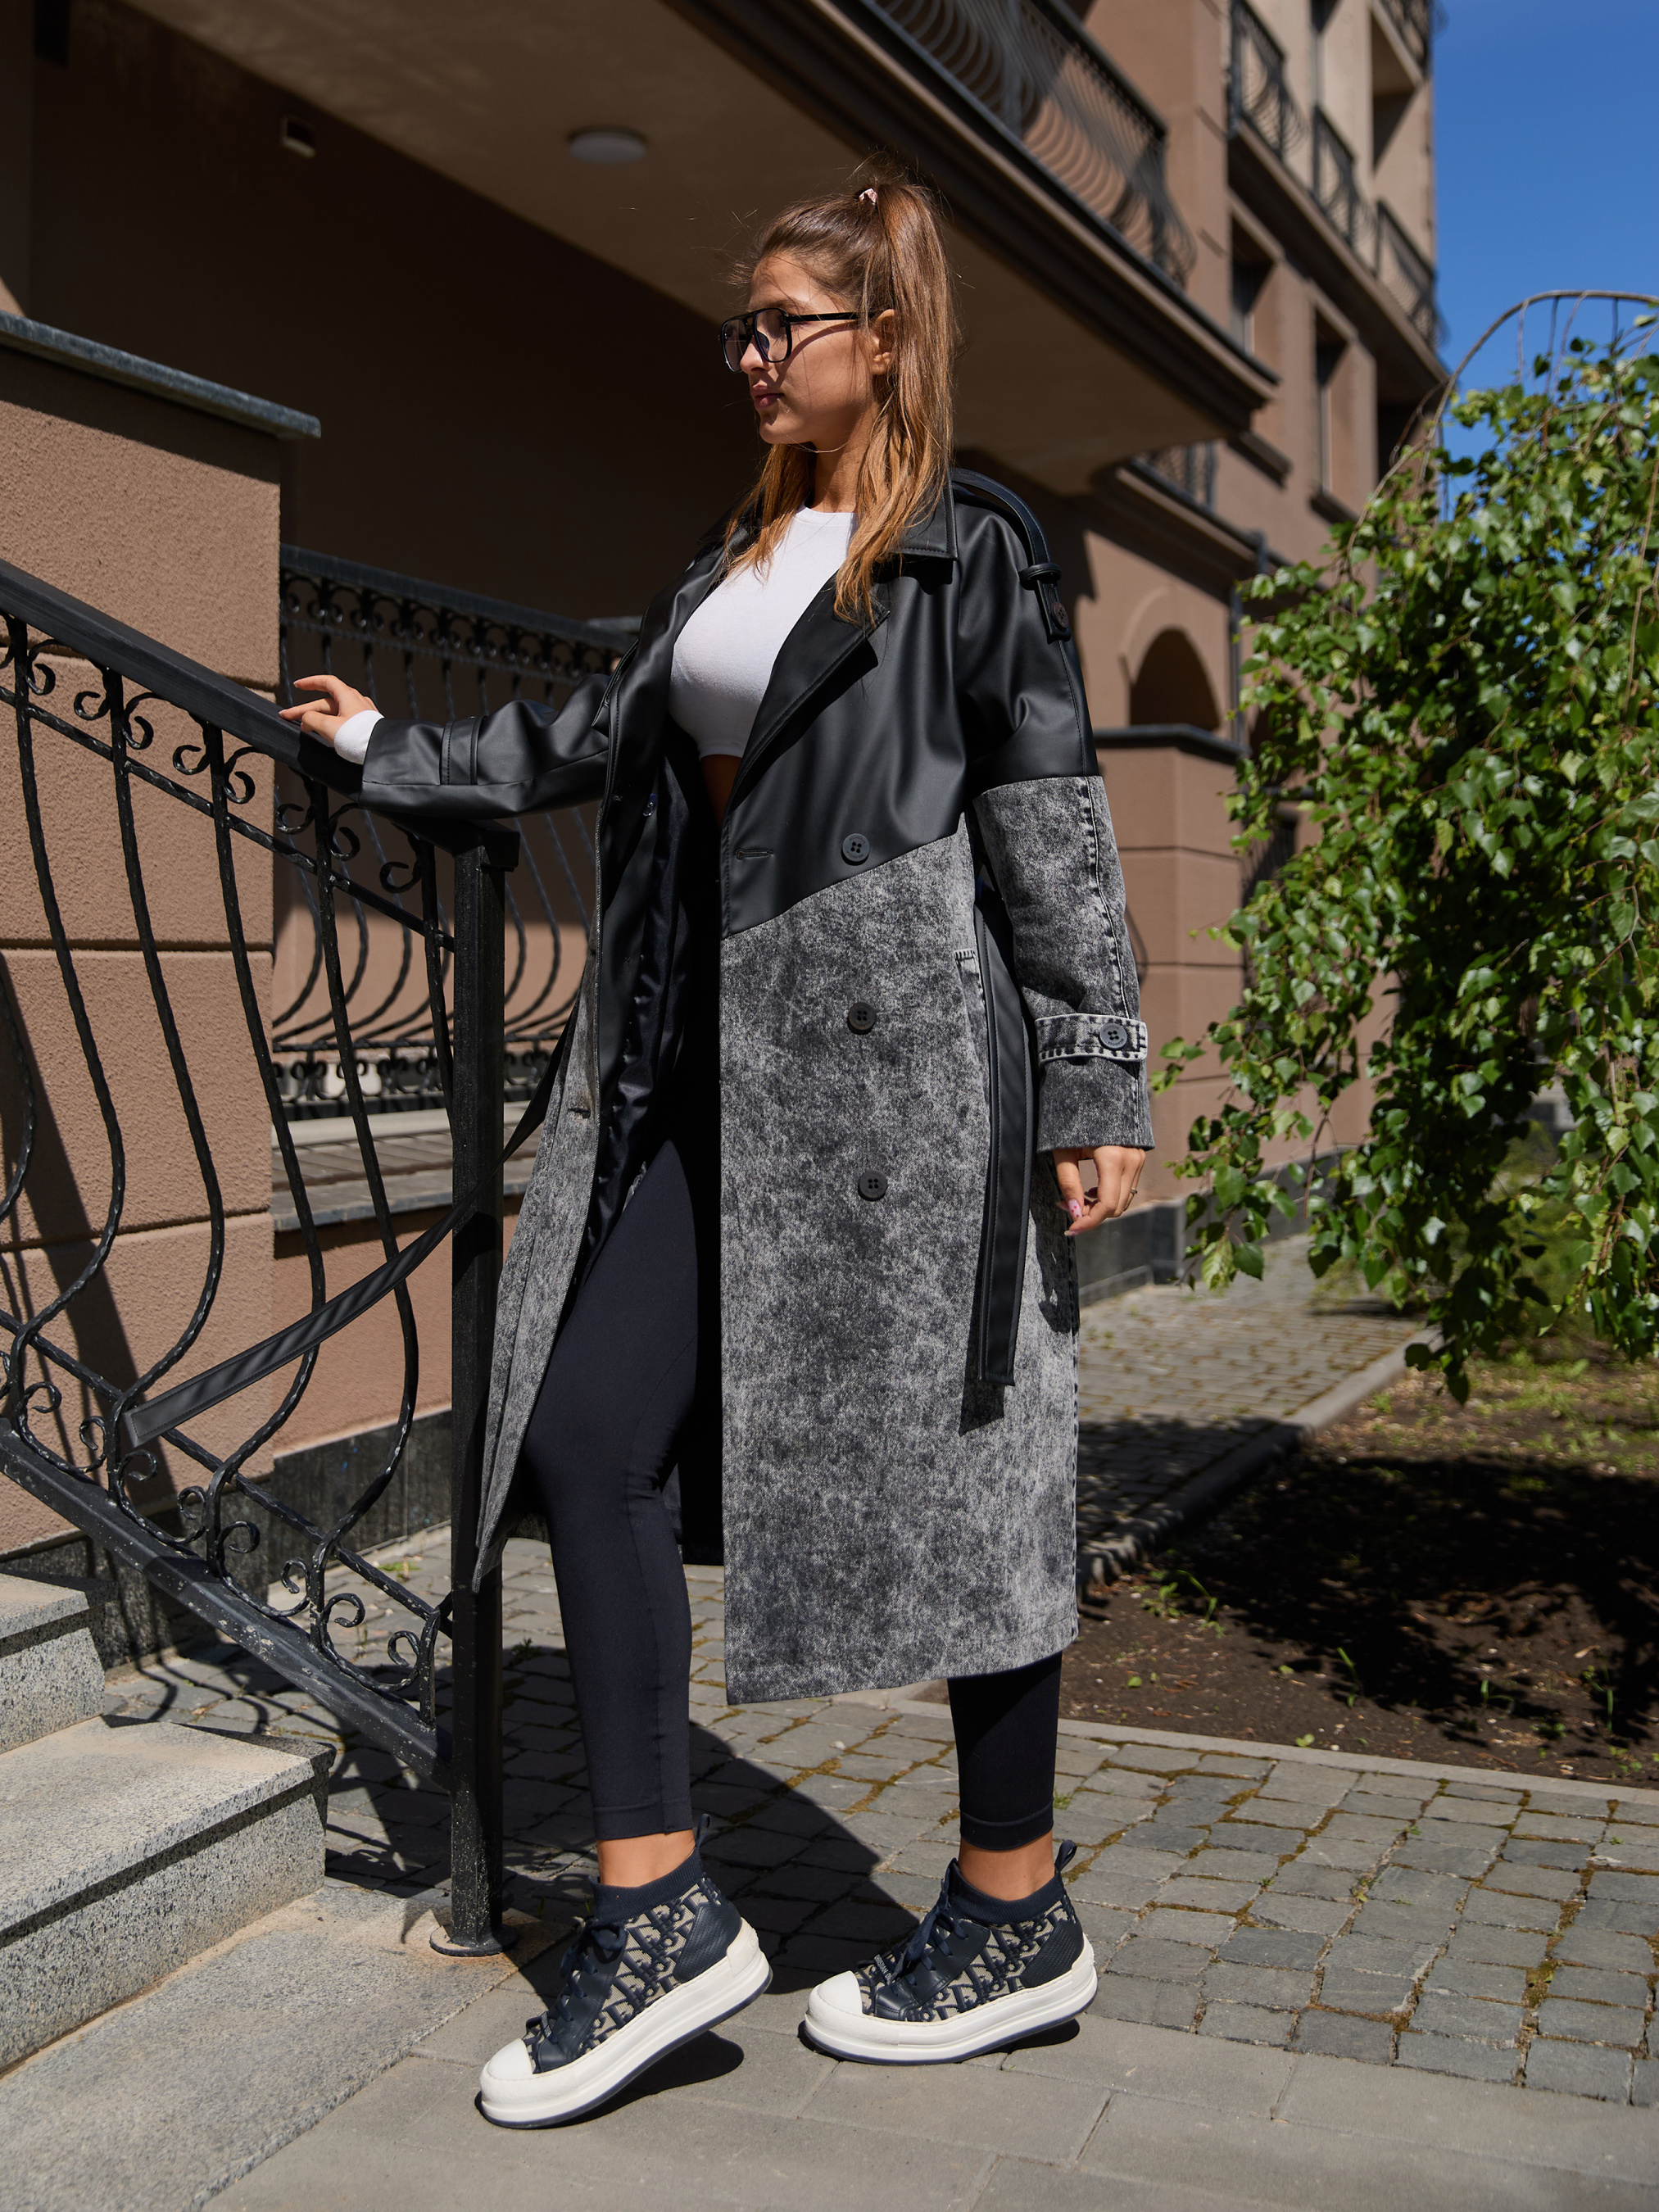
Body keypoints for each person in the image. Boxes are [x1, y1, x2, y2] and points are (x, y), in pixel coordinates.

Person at [283, 169, 1151, 2126]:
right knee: (588, 1437)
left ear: (883, 340)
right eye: (739, 325)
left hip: (900, 1087)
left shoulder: (966, 552)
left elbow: (1046, 818)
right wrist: (388, 754)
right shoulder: (727, 552)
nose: (748, 354)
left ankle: (1012, 1907)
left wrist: (1093, 1078)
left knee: (969, 1488)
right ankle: (661, 1908)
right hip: (696, 1066)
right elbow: (598, 736)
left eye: (781, 324)